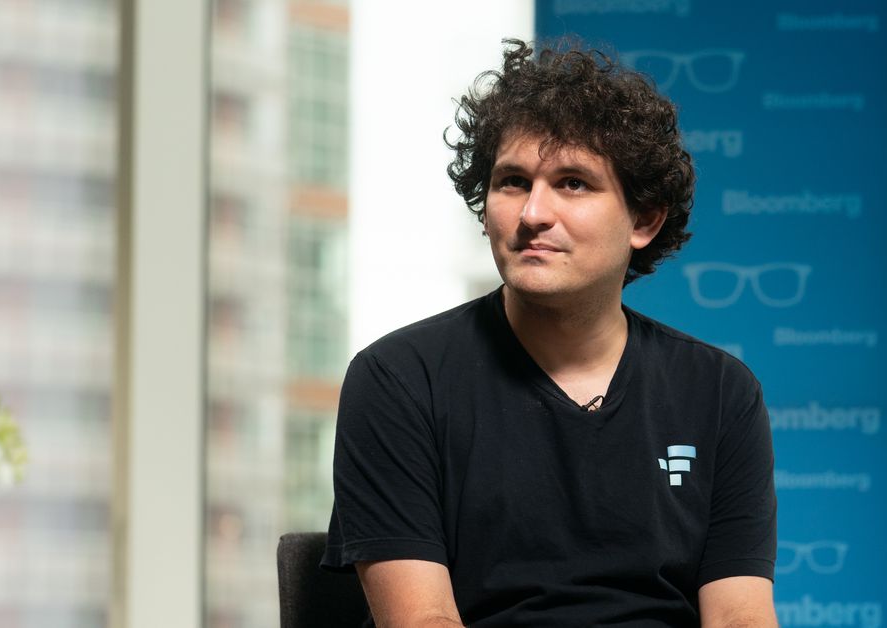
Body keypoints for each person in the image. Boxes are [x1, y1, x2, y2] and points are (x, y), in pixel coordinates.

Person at [323, 38, 777, 627]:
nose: (532, 213)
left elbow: (740, 617)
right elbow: (422, 621)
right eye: (512, 181)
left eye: (573, 183)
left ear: (644, 220)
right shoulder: (399, 379)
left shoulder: (719, 391)